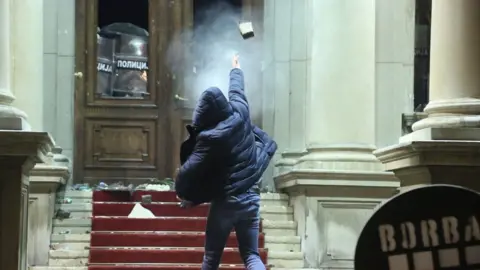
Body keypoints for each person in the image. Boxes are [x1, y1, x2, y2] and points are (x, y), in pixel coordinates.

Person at [175, 54, 277, 270]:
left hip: (226, 202)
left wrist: (184, 192)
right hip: (250, 197)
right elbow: (237, 90)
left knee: (211, 258)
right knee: (251, 255)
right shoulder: (240, 110)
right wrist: (236, 68)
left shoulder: (209, 138)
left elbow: (188, 173)